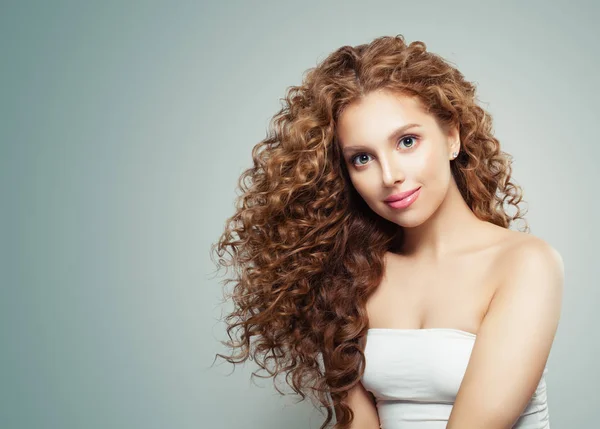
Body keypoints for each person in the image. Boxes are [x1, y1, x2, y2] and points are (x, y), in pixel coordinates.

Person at [211, 34, 563, 429]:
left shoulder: (525, 264)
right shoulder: (349, 278)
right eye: (362, 158)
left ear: (452, 136)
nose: (390, 176)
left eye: (407, 141)